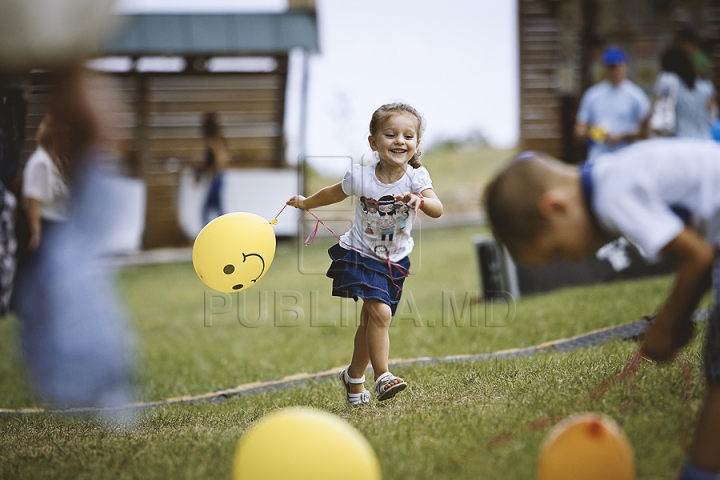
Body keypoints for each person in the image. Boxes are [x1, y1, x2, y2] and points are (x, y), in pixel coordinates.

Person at [484, 138, 720, 480]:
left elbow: (697, 257)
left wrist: (667, 325)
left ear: (556, 207)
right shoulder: (615, 174)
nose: (573, 258)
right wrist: (681, 318)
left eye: (559, 251)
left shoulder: (613, 195)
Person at [286, 102, 443, 405]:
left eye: (408, 136)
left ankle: (353, 377)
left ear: (417, 144)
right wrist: (306, 203)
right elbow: (332, 192)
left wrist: (418, 202)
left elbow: (437, 209)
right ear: (374, 142)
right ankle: (383, 376)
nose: (400, 141)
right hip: (359, 254)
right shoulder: (361, 177)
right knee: (381, 314)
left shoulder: (417, 179)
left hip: (395, 261)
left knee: (372, 324)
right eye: (391, 134)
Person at [575, 46, 651, 160]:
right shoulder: (593, 94)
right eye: (610, 67)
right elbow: (579, 130)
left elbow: (647, 130)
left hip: (627, 157)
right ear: (605, 69)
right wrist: (598, 134)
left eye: (617, 67)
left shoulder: (636, 95)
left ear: (625, 67)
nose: (614, 71)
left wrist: (623, 136)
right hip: (599, 158)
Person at [21, 114, 70, 255]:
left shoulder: (58, 162)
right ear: (54, 138)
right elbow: (32, 199)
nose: (68, 141)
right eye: (64, 136)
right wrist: (36, 234)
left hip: (59, 226)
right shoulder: (41, 162)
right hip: (46, 227)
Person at [651, 46, 716, 139]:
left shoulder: (667, 79)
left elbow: (656, 112)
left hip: (678, 140)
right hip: (703, 140)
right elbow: (712, 116)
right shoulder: (705, 85)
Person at [195, 113, 229, 225]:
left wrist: (207, 170)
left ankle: (213, 232)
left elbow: (218, 160)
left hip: (216, 176)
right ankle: (224, 230)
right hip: (218, 176)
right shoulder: (218, 140)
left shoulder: (214, 142)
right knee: (216, 208)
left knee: (208, 210)